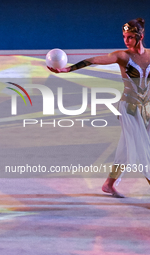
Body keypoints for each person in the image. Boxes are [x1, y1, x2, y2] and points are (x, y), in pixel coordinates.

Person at [48, 18, 150, 198]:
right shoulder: (122, 56)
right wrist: (69, 69)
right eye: (124, 36)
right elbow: (95, 60)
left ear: (140, 36)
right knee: (143, 149)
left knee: (128, 148)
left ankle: (109, 184)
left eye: (130, 37)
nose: (126, 40)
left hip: (147, 110)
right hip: (129, 109)